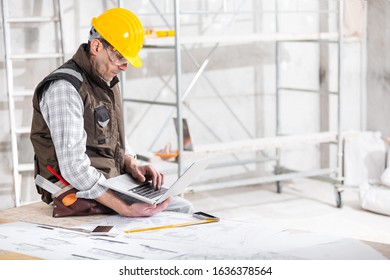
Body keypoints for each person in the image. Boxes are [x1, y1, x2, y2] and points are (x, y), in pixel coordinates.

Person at [30, 8, 194, 217]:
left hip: (110, 180)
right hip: (72, 191)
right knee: (180, 210)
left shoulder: (106, 81)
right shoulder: (65, 88)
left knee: (176, 204)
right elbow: (73, 168)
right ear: (96, 46)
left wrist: (130, 163)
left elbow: (110, 135)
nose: (125, 66)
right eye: (119, 57)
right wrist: (125, 208)